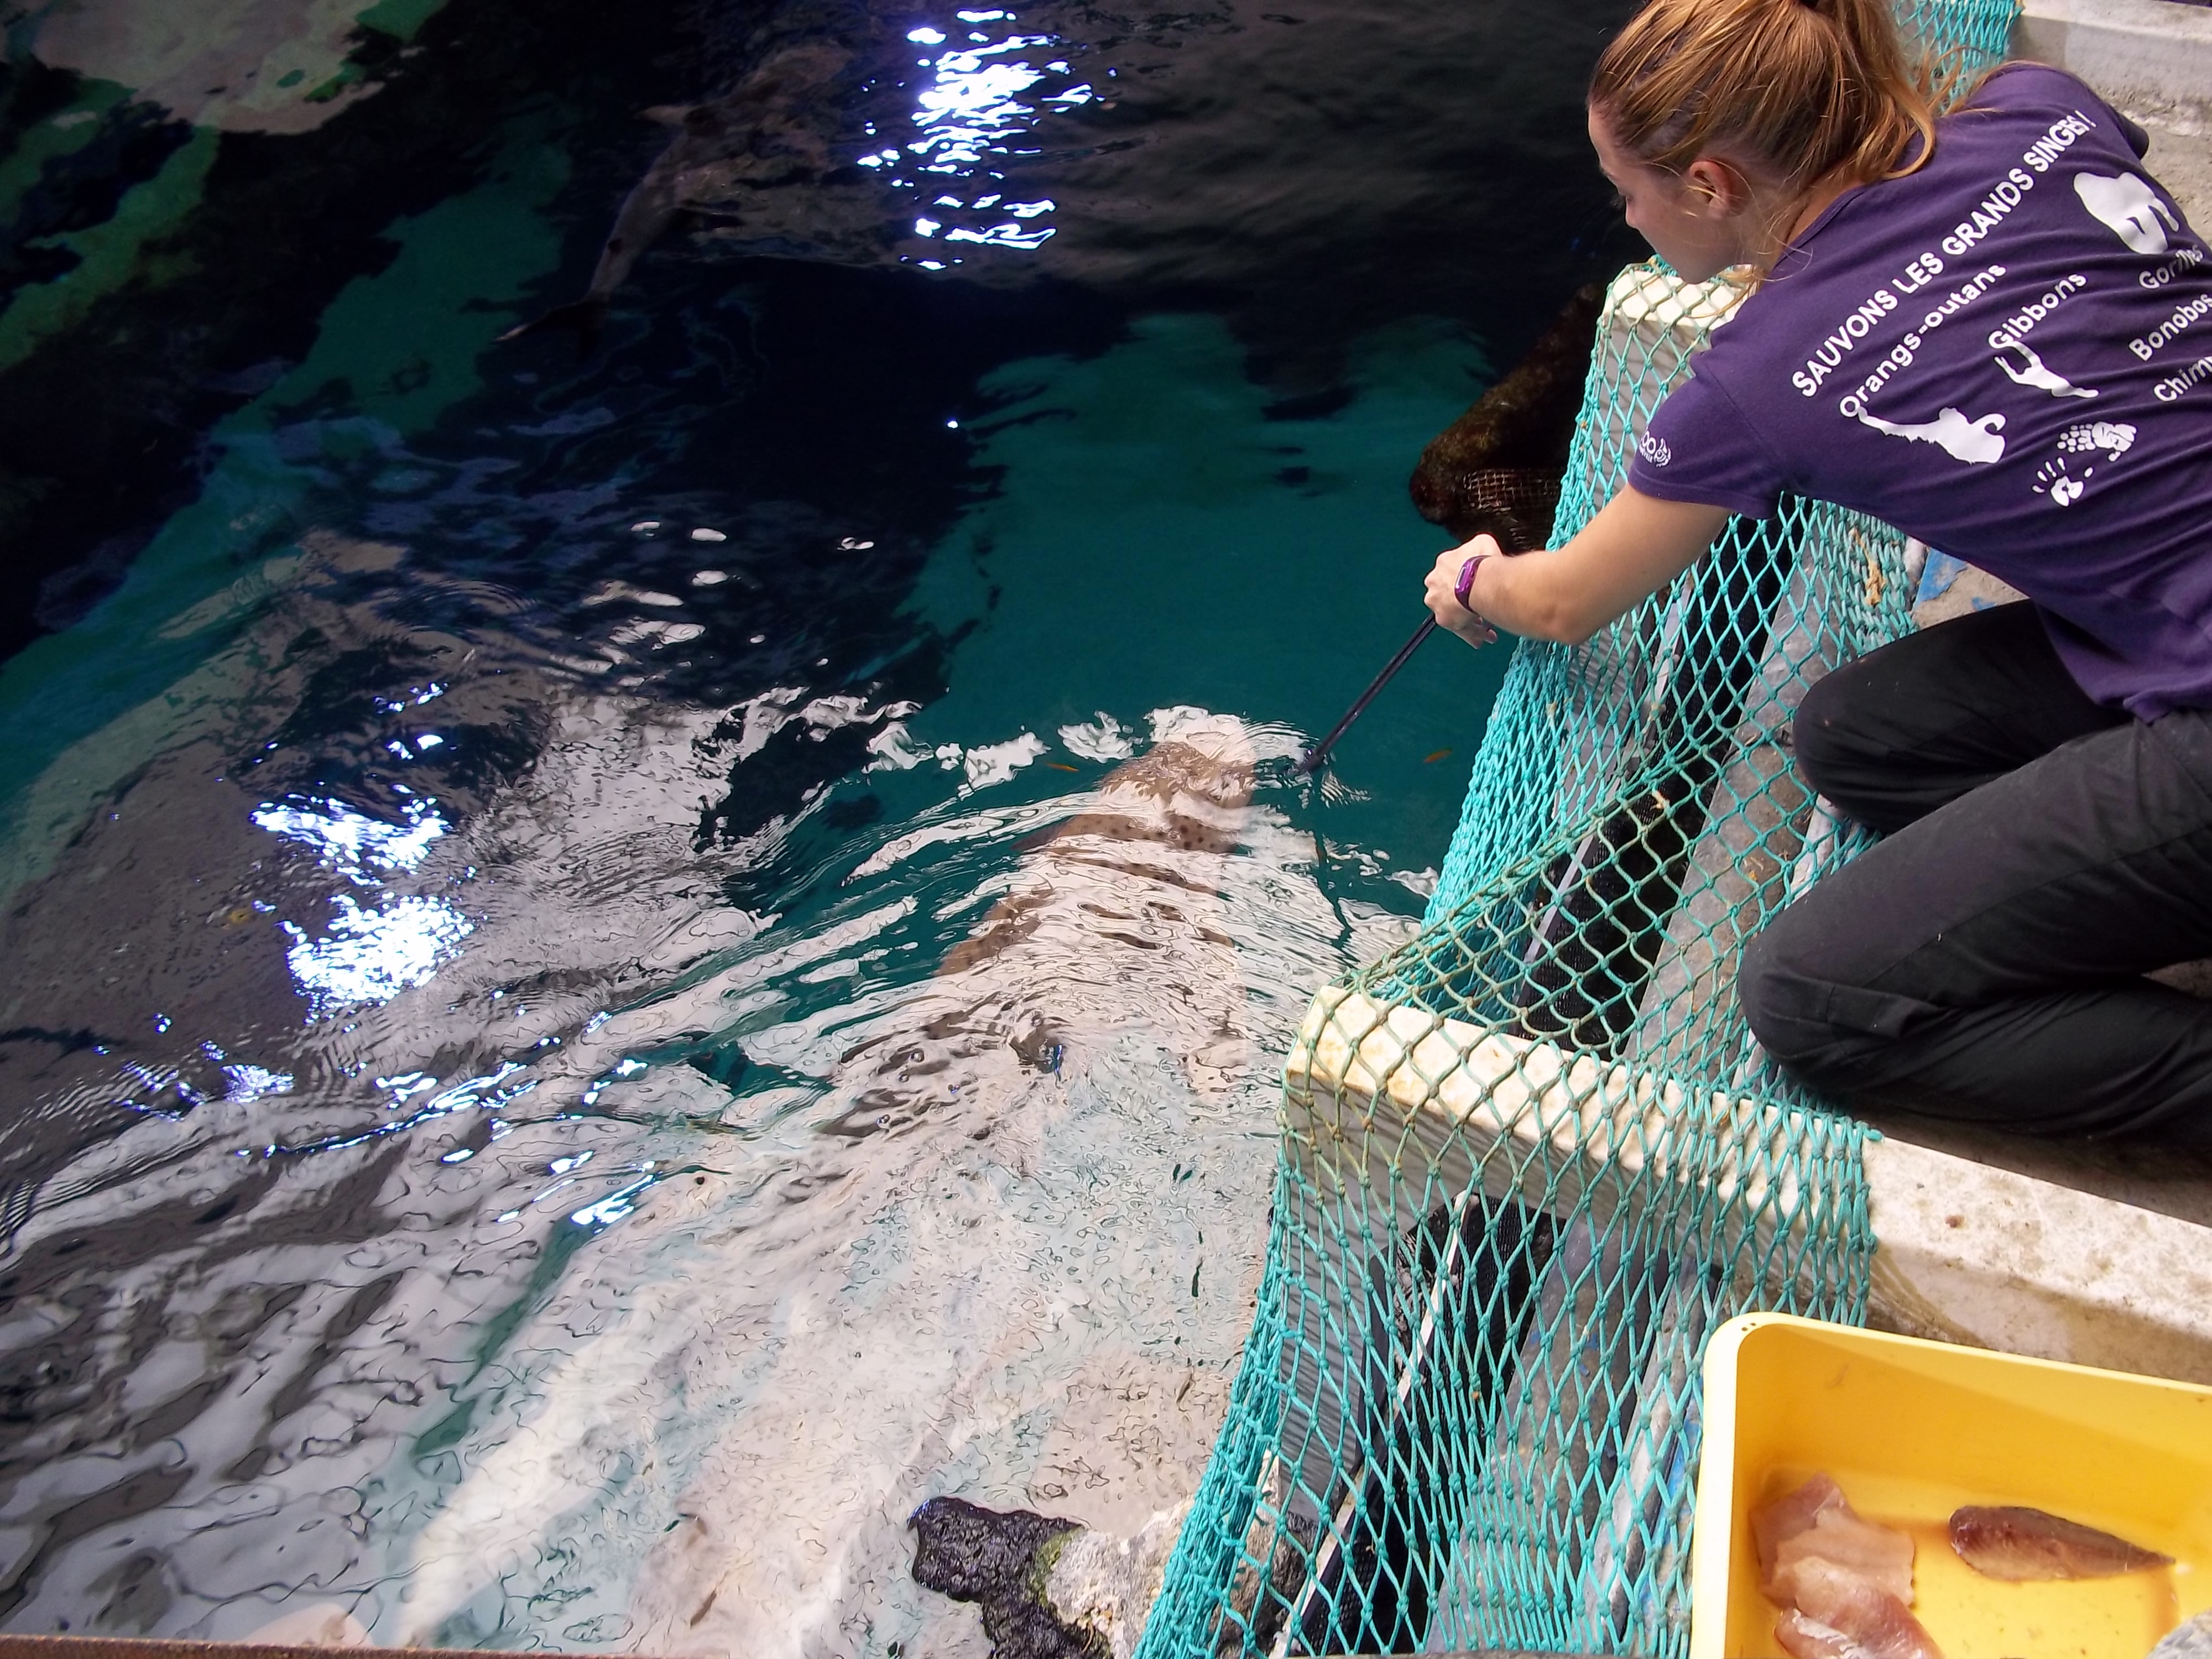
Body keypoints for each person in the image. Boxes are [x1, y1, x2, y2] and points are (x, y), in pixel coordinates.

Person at [1421, 0, 2212, 1140]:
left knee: (1813, 1001)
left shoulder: (1758, 381)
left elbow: (1559, 599)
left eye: (1625, 192)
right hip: (2170, 614)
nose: (1626, 217)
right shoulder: (2033, 110)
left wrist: (1469, 579)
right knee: (1860, 736)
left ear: (1710, 185)